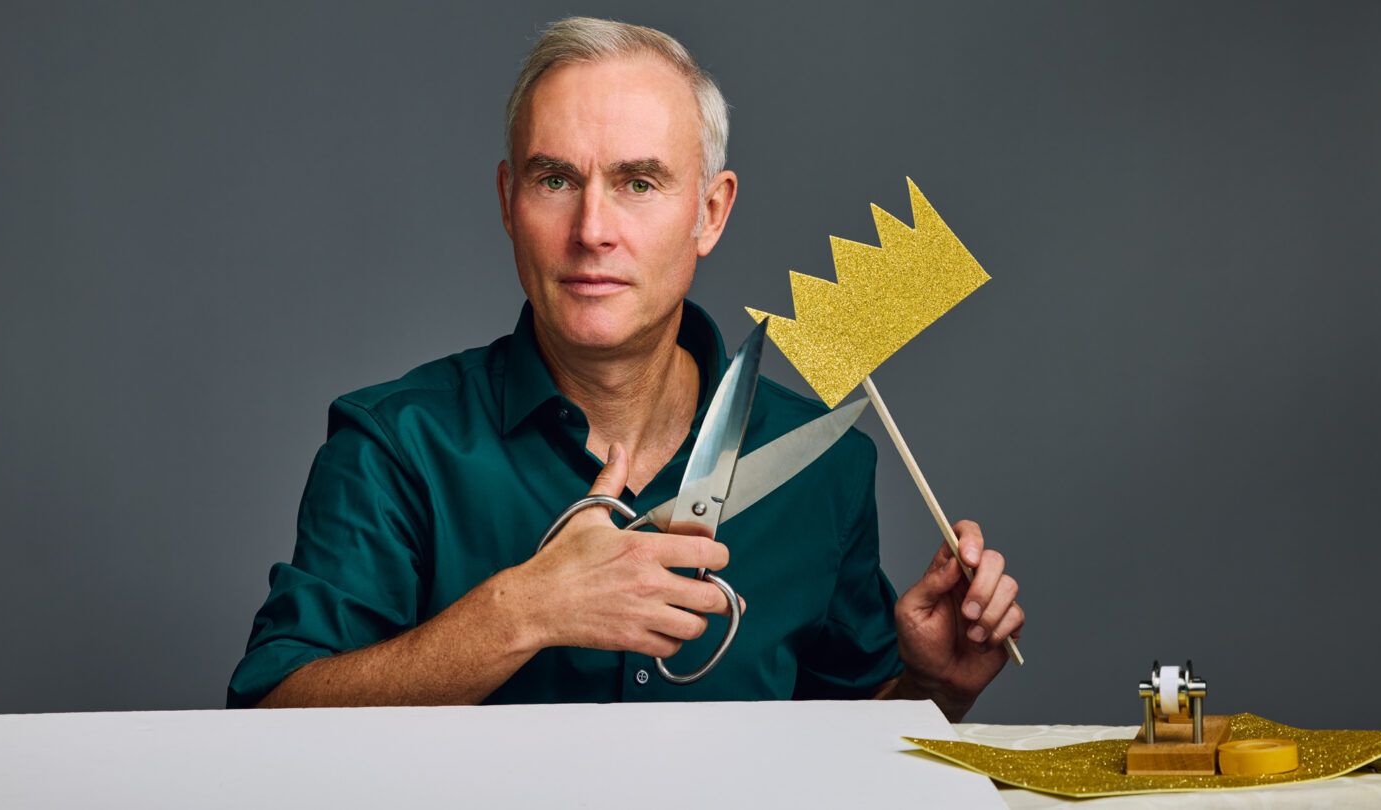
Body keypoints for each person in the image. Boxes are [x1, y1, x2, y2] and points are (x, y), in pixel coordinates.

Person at [228, 17, 1022, 721]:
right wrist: (523, 611)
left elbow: (843, 745)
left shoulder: (824, 466)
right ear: (508, 201)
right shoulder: (392, 445)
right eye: (555, 180)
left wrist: (934, 690)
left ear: (710, 212)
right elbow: (268, 717)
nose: (592, 229)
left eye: (639, 183)